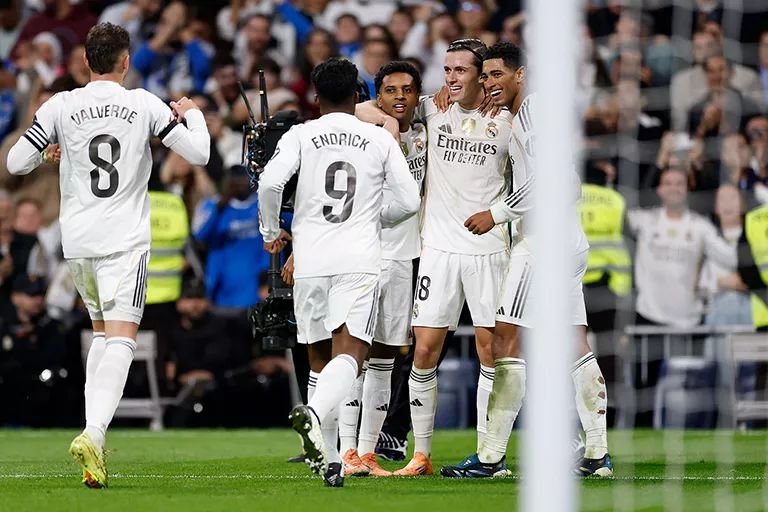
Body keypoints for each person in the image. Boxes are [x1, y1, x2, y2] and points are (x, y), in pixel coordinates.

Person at [6, 22, 210, 488]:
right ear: (126, 61)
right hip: (123, 241)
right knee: (122, 339)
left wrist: (47, 151)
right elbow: (197, 154)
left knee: (101, 335)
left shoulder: (62, 104)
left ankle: (92, 442)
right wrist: (192, 113)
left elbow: (16, 162)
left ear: (84, 61)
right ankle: (94, 433)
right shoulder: (143, 104)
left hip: (77, 243)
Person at [440, 41, 612, 479]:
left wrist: (496, 213)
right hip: (568, 242)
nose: (489, 83)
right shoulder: (525, 116)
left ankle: (491, 456)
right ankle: (596, 453)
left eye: (497, 75)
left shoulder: (533, 108)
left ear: (521, 74)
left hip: (543, 245)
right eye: (486, 76)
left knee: (504, 340)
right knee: (575, 344)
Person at [257, 57, 420, 487]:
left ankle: (329, 461)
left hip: (310, 260)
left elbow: (270, 183)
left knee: (317, 358)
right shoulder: (378, 139)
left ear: (315, 97)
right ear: (357, 96)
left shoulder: (300, 134)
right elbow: (409, 202)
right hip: (357, 259)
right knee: (351, 355)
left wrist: (271, 230)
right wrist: (371, 218)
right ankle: (312, 416)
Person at [366, 39, 514, 477]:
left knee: (493, 354)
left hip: (489, 250)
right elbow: (357, 111)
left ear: (481, 75)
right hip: (438, 250)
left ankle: (491, 454)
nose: (451, 77)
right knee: (424, 350)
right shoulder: (432, 108)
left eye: (461, 70)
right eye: (447, 69)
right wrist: (388, 125)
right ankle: (422, 455)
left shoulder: (505, 120)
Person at [337, 61, 427, 478]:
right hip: (360, 253)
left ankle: (368, 453)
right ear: (377, 94)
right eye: (390, 91)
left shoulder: (431, 125)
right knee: (354, 351)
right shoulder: (362, 130)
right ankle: (345, 449)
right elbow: (341, 111)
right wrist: (382, 121)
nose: (399, 98)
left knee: (386, 355)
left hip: (402, 255)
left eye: (408, 91)